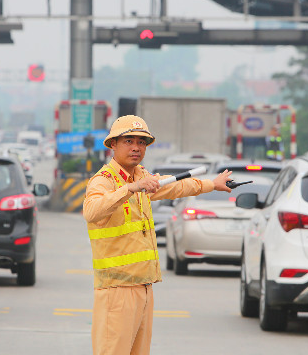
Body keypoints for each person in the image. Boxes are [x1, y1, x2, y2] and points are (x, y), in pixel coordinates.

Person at [82, 115, 233, 355]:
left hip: (143, 286)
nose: (136, 147)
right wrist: (128, 189)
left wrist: (211, 185)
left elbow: (174, 186)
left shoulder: (141, 177)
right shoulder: (104, 181)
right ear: (113, 145)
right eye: (128, 141)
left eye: (141, 142)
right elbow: (91, 212)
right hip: (117, 289)